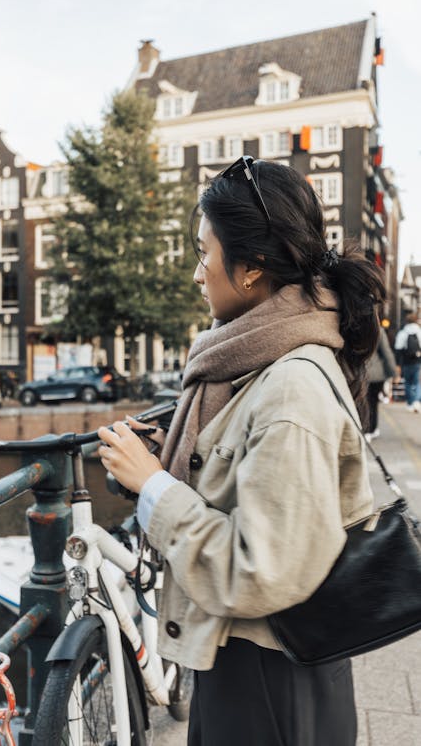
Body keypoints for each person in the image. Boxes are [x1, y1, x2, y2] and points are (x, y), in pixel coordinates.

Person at [97, 157, 385, 746]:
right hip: (251, 664)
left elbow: (263, 570)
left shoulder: (291, 387)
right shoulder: (262, 365)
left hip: (268, 682)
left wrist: (155, 486)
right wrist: (174, 457)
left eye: (205, 253)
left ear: (252, 267)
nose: (198, 274)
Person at [364, 325, 396, 439]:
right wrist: (393, 372)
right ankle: (371, 429)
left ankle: (364, 428)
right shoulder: (378, 330)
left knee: (362, 401)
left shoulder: (352, 327)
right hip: (375, 374)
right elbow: (386, 352)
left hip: (358, 373)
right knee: (372, 402)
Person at [394, 312, 421, 412]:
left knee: (408, 383)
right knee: (417, 382)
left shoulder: (403, 332)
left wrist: (398, 364)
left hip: (406, 362)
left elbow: (398, 348)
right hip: (418, 362)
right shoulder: (419, 331)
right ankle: (417, 401)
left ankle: (410, 402)